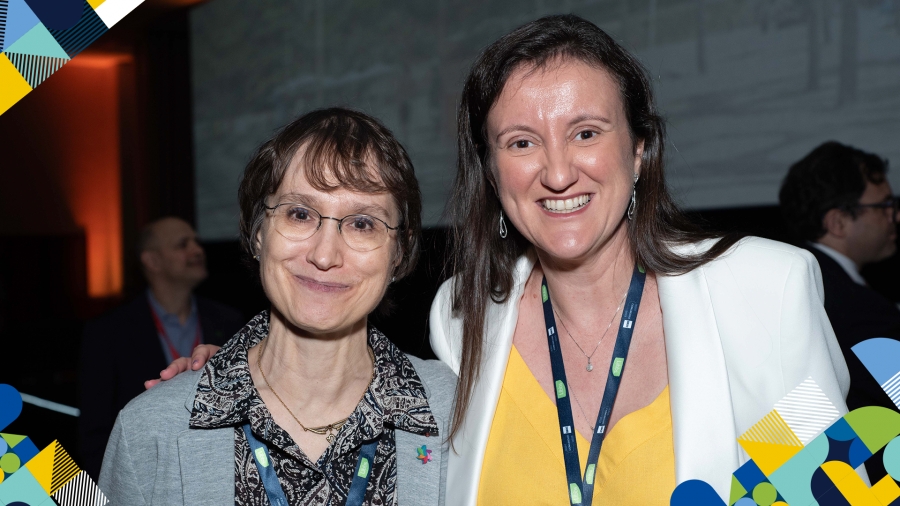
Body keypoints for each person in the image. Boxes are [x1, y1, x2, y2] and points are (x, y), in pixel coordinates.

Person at [164, 15, 852, 504]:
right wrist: (243, 376)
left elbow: (824, 485)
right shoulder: (463, 316)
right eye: (521, 142)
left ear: (639, 148)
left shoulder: (762, 292)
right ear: (492, 171)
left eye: (586, 132)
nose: (557, 171)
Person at [99, 108, 455, 505]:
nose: (324, 255)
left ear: (398, 253)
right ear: (258, 233)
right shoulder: (151, 430)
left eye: (362, 223)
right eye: (300, 214)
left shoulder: (460, 414)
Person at [78, 216, 243, 479]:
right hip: (145, 477)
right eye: (182, 244)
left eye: (196, 242)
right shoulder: (108, 332)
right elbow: (95, 432)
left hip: (218, 472)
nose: (197, 250)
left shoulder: (230, 321)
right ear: (152, 261)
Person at [779, 141, 899, 480]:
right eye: (885, 205)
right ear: (838, 222)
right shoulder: (855, 308)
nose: (896, 216)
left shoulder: (787, 284)